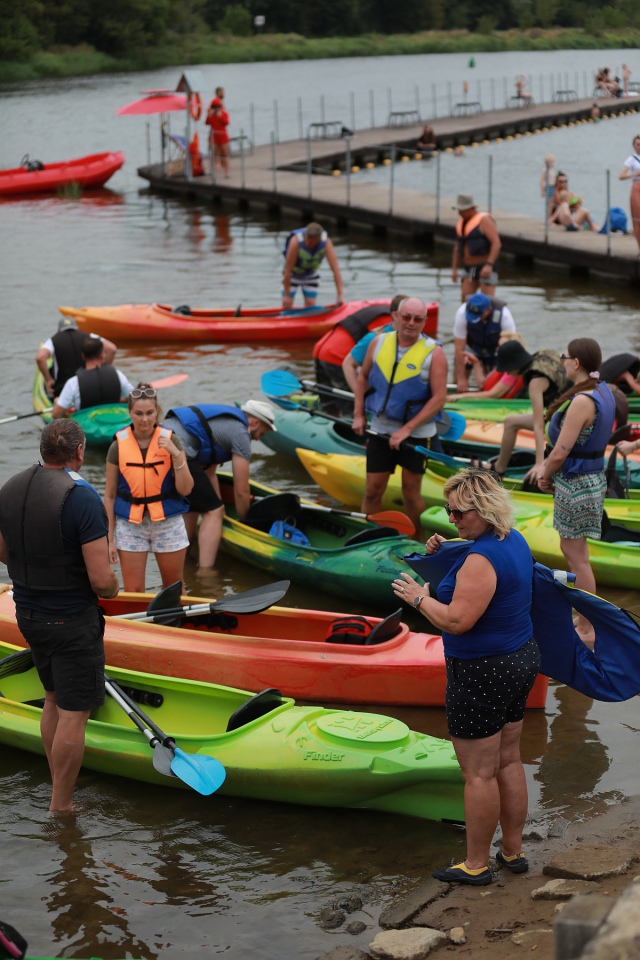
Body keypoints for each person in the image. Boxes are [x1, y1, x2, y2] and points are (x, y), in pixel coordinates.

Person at [391, 468, 540, 885]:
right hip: (521, 658)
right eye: (447, 512)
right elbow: (482, 568)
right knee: (509, 758)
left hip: (482, 669)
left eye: (458, 514)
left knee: (478, 772)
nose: (451, 520)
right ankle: (513, 851)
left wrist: (419, 598)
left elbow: (457, 620)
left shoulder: (480, 559)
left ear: (483, 508)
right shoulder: (512, 539)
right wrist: (444, 550)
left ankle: (475, 865)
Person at [0, 420, 119, 813]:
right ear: (80, 452)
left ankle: (58, 781)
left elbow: (4, 551)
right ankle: (61, 805)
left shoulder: (12, 486)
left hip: (28, 613)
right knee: (74, 712)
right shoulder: (81, 497)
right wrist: (114, 585)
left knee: (52, 697)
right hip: (71, 619)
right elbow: (101, 582)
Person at [537, 339, 616, 646]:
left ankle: (587, 628)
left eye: (564, 357)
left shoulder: (583, 400)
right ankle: (585, 619)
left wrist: (544, 475)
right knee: (579, 556)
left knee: (576, 560)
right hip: (591, 480)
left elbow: (560, 452)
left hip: (577, 484)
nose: (562, 361)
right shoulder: (603, 390)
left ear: (577, 363)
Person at [352, 297, 448, 537]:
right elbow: (363, 378)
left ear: (425, 322)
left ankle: (416, 540)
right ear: (396, 317)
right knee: (373, 490)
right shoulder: (378, 343)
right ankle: (372, 536)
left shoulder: (434, 353)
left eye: (417, 319)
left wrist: (407, 429)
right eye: (406, 317)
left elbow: (439, 398)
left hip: (417, 434)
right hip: (381, 428)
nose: (411, 323)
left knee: (410, 491)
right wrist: (358, 415)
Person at [162, 399, 277, 570]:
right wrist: (245, 523)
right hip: (176, 449)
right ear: (255, 422)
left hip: (162, 441)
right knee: (213, 512)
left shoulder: (222, 424)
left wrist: (220, 504)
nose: (259, 439)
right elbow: (241, 490)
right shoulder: (241, 434)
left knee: (195, 507)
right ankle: (206, 573)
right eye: (263, 432)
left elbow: (209, 473)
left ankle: (182, 562)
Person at [103, 384, 194, 593]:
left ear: (157, 411)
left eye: (150, 413)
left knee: (174, 587)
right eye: (139, 413)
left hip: (167, 522)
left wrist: (176, 454)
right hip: (130, 525)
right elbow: (109, 495)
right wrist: (109, 539)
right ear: (130, 413)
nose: (145, 419)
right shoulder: (118, 445)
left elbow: (186, 489)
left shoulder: (172, 440)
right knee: (134, 591)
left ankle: (173, 625)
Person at [490, 339, 568, 481]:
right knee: (510, 421)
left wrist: (539, 464)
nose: (506, 372)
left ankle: (499, 472)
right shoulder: (544, 355)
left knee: (511, 423)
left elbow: (538, 425)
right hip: (569, 413)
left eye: (507, 368)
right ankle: (498, 468)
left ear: (514, 365)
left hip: (565, 422)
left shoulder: (535, 381)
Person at [313, 299, 401, 411]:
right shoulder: (384, 329)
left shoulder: (381, 312)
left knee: (329, 404)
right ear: (396, 315)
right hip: (338, 355)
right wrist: (359, 394)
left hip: (320, 348)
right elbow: (353, 360)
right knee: (348, 402)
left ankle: (328, 414)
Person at [36, 317, 117, 401]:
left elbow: (40, 358)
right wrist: (103, 370)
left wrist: (48, 380)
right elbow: (112, 349)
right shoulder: (89, 336)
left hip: (62, 390)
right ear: (77, 327)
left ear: (58, 330)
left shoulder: (52, 340)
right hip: (89, 386)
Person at [340, 295, 407, 394]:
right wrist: (359, 394)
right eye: (407, 316)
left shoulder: (414, 338)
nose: (412, 322)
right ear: (395, 315)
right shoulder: (374, 338)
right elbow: (348, 363)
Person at [51, 337, 133, 417]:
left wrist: (57, 402)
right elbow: (133, 399)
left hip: (87, 426)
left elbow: (55, 414)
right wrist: (119, 401)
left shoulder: (73, 382)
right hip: (115, 421)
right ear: (102, 354)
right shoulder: (117, 374)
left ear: (83, 356)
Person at [452, 292, 516, 392]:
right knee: (458, 382)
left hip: (494, 350)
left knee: (490, 386)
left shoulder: (504, 316)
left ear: (489, 310)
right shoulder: (462, 313)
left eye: (478, 316)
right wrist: (461, 378)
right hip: (472, 348)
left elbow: (509, 349)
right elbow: (459, 348)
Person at [451, 194, 501, 301]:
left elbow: (496, 243)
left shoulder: (485, 220)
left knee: (486, 301)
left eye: (462, 210)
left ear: (471, 209)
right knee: (465, 298)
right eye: (458, 209)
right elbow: (457, 247)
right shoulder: (462, 223)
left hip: (484, 266)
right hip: (471, 269)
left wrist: (489, 265)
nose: (459, 213)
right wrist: (454, 269)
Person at [281, 222, 344, 309]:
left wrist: (340, 295)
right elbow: (287, 270)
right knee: (287, 304)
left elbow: (335, 270)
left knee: (310, 305)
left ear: (318, 239)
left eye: (311, 242)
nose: (308, 244)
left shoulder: (326, 243)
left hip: (311, 274)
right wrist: (287, 296)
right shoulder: (295, 242)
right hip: (293, 274)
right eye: (307, 240)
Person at [449, 332, 527, 401]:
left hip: (498, 407)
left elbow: (492, 395)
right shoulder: (504, 366)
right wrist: (475, 362)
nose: (498, 350)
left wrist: (461, 396)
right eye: (498, 346)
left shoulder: (512, 372)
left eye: (502, 347)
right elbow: (482, 385)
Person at [618, 135, 640, 251]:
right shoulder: (631, 159)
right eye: (637, 144)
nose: (639, 147)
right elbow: (621, 176)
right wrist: (635, 174)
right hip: (637, 186)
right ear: (634, 146)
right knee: (637, 218)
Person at [205, 96, 230, 177]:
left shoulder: (224, 113)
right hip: (214, 137)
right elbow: (207, 123)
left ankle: (226, 172)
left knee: (225, 154)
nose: (216, 108)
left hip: (223, 136)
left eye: (217, 106)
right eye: (214, 107)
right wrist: (209, 114)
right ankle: (216, 167)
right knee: (215, 153)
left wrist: (220, 115)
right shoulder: (211, 114)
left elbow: (226, 122)